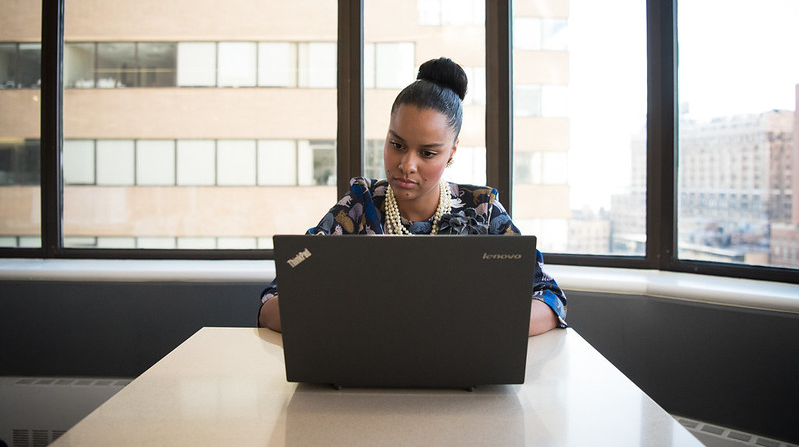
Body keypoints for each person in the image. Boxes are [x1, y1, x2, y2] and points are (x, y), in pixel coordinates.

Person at [259, 57, 567, 335]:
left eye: (428, 153)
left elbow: (550, 298)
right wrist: (347, 318)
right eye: (397, 145)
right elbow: (274, 299)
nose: (407, 165)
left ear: (452, 152)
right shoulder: (358, 205)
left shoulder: (482, 210)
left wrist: (477, 324)